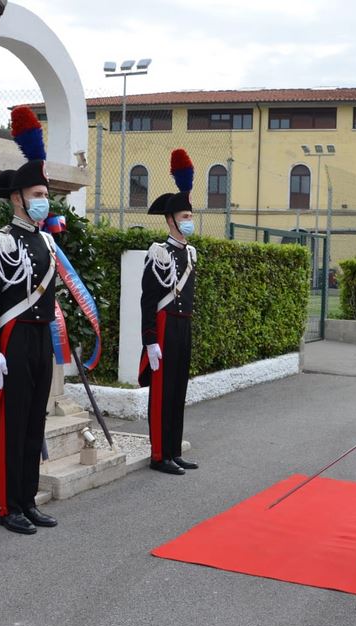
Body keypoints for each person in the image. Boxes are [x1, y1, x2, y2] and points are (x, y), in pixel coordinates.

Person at [0, 157, 58, 535]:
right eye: (38, 194)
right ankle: (8, 507)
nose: (45, 201)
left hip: (40, 338)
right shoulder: (1, 241)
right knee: (12, 423)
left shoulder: (46, 241)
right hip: (13, 340)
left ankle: (27, 499)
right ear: (17, 198)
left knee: (33, 422)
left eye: (45, 194)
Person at [139, 149, 199, 475]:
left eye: (191, 216)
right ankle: (159, 454)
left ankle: (174, 450)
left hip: (183, 327)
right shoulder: (158, 253)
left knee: (178, 391)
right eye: (185, 217)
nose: (190, 221)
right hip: (162, 326)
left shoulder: (191, 254)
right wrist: (150, 341)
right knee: (162, 393)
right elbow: (148, 300)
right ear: (171, 220)